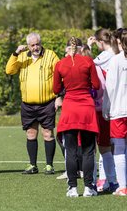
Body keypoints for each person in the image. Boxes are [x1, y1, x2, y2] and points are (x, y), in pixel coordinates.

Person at [5, 32, 61, 175]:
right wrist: (15, 53)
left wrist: (59, 96)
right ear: (28, 46)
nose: (36, 47)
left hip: (47, 102)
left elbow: (60, 75)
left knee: (48, 134)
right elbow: (9, 70)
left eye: (38, 44)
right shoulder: (22, 56)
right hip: (28, 104)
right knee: (30, 133)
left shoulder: (51, 55)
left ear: (41, 43)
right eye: (32, 45)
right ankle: (32, 165)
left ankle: (49, 165)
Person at [53, 37, 100, 197]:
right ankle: (88, 187)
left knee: (71, 150)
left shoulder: (60, 64)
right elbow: (97, 85)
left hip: (70, 108)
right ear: (80, 48)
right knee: (88, 150)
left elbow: (55, 88)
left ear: (67, 48)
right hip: (86, 107)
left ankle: (72, 187)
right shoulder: (87, 61)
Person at [87, 28, 119, 192]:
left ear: (100, 42)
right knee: (113, 145)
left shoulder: (105, 57)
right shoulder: (117, 54)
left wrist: (88, 47)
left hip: (102, 106)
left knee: (103, 146)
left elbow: (88, 65)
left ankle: (108, 180)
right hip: (116, 105)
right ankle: (109, 179)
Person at [104, 29, 127, 196]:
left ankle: (123, 186)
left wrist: (106, 107)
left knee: (118, 149)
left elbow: (110, 88)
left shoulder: (115, 61)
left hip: (119, 110)